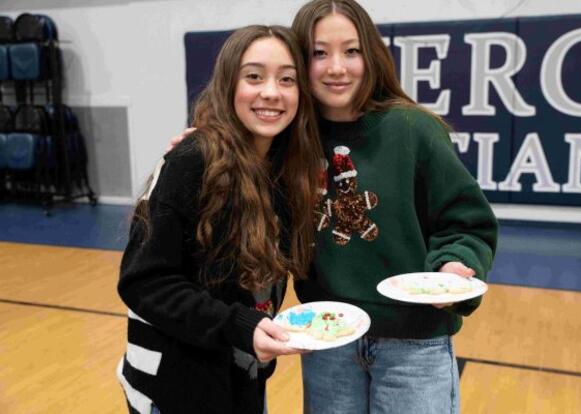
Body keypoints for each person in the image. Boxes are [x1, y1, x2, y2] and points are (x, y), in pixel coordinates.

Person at [167, 1, 498, 413]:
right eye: (319, 53)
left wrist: (454, 264)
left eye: (351, 51)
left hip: (415, 345)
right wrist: (202, 152)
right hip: (329, 342)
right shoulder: (287, 137)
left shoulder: (415, 130)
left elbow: (467, 224)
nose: (336, 67)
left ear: (371, 55)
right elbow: (237, 168)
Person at [116, 25, 323, 414]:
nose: (271, 92)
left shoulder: (284, 168)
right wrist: (238, 326)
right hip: (175, 390)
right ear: (229, 84)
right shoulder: (191, 160)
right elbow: (144, 282)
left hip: (240, 378)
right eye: (254, 76)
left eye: (287, 79)